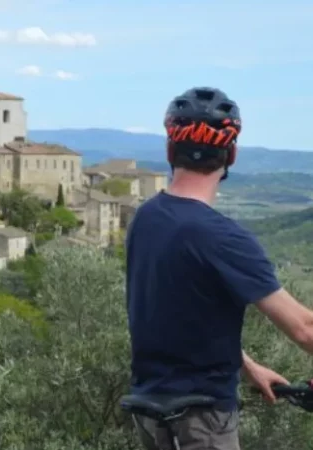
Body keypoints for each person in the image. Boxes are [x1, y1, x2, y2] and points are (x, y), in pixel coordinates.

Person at [126, 87, 313, 449]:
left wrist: (246, 366)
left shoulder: (146, 218)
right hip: (202, 421)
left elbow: (180, 313)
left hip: (149, 413)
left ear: (169, 151)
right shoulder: (224, 237)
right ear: (232, 155)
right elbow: (304, 328)